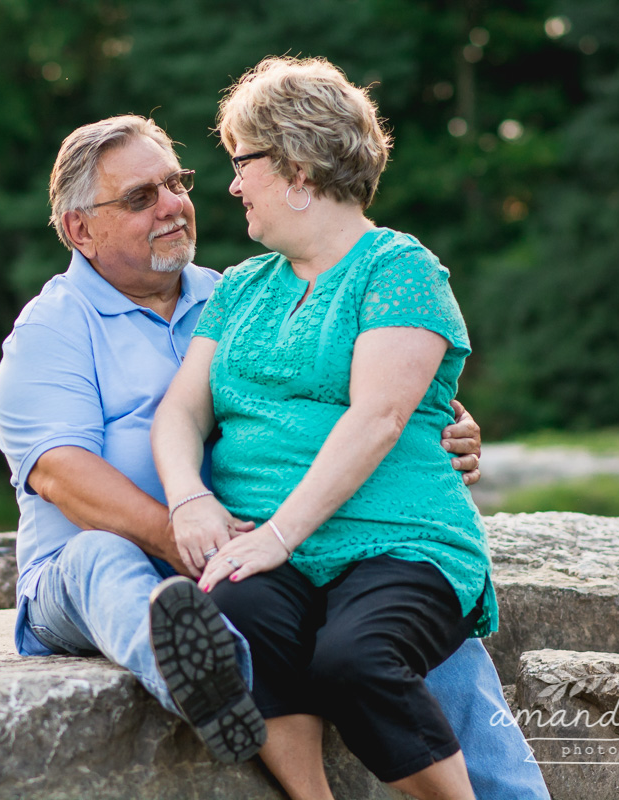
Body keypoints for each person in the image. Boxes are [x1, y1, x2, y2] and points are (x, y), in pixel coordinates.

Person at [0, 114, 545, 795]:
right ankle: (205, 676)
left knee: (406, 615)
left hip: (256, 548)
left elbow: (345, 393)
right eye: (141, 198)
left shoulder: (236, 292)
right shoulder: (52, 329)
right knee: (102, 557)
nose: (173, 205)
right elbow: (60, 475)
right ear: (80, 230)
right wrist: (184, 534)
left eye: (177, 182)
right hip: (93, 575)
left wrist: (440, 423)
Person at [151, 57, 533, 800]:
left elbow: (379, 416)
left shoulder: (398, 268)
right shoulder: (240, 288)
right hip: (268, 545)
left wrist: (278, 535)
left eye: (241, 164)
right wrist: (189, 499)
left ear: (296, 167)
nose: (231, 186)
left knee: (355, 660)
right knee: (233, 617)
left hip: (397, 538)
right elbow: (181, 411)